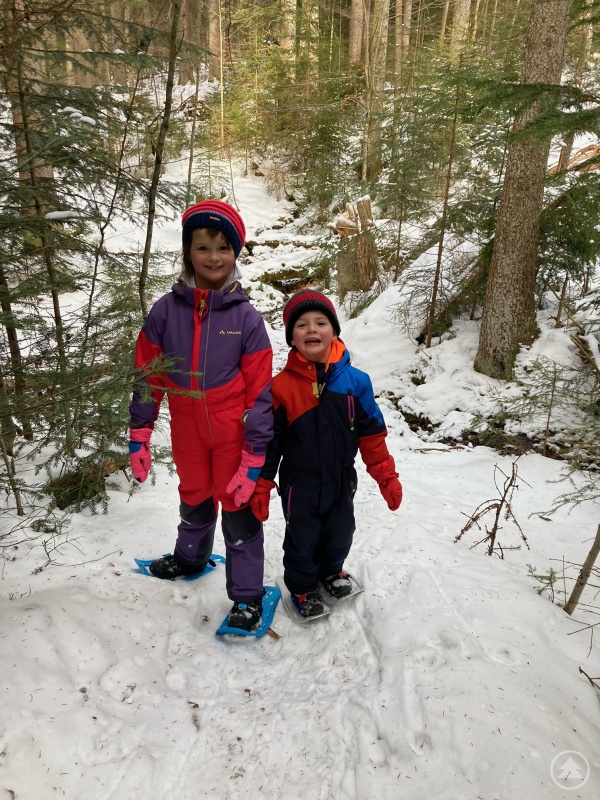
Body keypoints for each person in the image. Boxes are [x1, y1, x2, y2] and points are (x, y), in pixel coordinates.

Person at [128, 200, 273, 631]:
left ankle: (247, 597)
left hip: (232, 430)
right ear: (188, 251)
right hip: (187, 425)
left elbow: (261, 392)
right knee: (193, 493)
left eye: (224, 247)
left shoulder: (246, 318)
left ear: (236, 254)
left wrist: (254, 457)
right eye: (203, 246)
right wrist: (140, 432)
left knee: (238, 504)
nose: (213, 257)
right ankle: (190, 557)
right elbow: (147, 374)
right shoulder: (164, 311)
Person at [250, 289, 402, 617]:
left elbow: (373, 436)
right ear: (292, 337)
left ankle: (332, 571)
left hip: (341, 478)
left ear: (334, 331)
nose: (312, 329)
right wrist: (262, 483)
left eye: (321, 322)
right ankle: (303, 587)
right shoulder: (281, 388)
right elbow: (271, 443)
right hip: (299, 482)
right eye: (302, 325)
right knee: (302, 538)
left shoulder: (356, 382)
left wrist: (386, 475)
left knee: (340, 531)